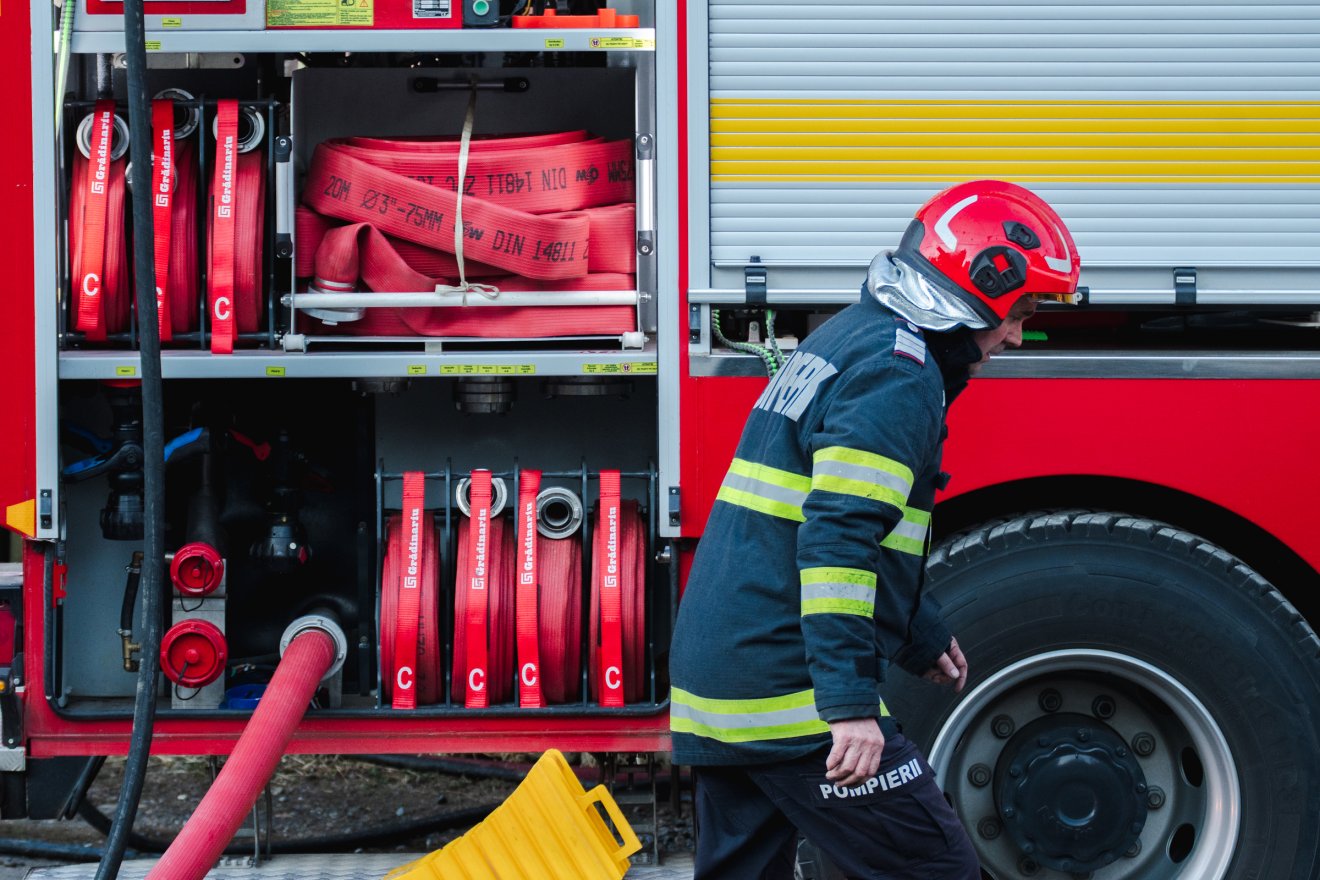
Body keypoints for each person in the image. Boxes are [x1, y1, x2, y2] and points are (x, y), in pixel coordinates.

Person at [669, 179, 1082, 879]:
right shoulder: (898, 374)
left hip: (724, 678)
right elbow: (837, 541)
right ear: (980, 287)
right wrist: (850, 705)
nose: (1016, 333)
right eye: (1021, 309)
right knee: (934, 869)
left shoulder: (851, 337)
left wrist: (916, 628)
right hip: (789, 695)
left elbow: (846, 523)